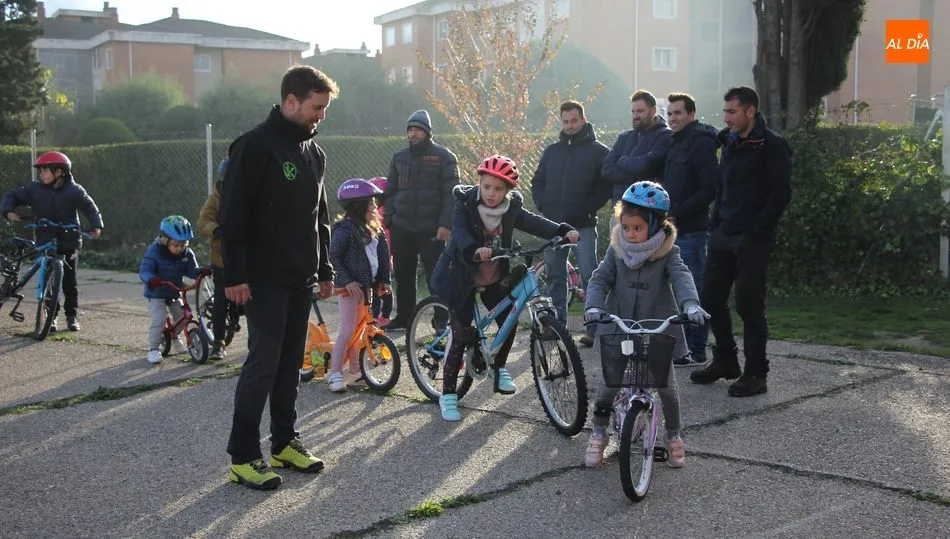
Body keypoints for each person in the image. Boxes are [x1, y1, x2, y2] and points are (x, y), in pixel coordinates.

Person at [218, 65, 338, 491]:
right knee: (263, 363)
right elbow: (231, 216)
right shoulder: (253, 147)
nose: (320, 116)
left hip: (300, 278)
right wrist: (234, 273)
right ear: (291, 101)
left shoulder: (314, 153)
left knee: (291, 365)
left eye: (324, 109)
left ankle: (285, 442)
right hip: (261, 278)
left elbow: (319, 217)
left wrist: (324, 269)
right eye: (315, 107)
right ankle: (244, 455)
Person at [429, 155, 579, 422]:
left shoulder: (510, 209)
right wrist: (474, 249)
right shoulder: (464, 205)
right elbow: (460, 232)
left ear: (508, 191)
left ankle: (498, 368)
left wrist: (561, 230)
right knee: (460, 335)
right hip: (461, 277)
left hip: (493, 276)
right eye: (487, 186)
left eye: (499, 189)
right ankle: (449, 395)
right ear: (480, 183)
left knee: (508, 319)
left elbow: (533, 222)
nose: (491, 193)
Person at [582, 181, 709, 468]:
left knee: (667, 389)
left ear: (654, 226)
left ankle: (673, 435)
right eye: (626, 227)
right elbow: (600, 279)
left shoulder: (668, 253)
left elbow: (682, 276)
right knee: (607, 387)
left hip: (657, 329)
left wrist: (691, 304)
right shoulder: (616, 251)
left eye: (638, 228)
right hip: (619, 328)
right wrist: (593, 306)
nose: (630, 234)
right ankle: (599, 433)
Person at [689, 86, 792, 397]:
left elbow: (779, 196)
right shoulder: (730, 143)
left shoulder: (772, 146)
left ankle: (756, 373)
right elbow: (722, 187)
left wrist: (755, 232)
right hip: (723, 234)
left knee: (749, 305)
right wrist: (716, 223)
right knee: (709, 300)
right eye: (725, 112)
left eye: (732, 112)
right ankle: (725, 360)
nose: (726, 118)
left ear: (751, 111)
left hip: (752, 240)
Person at [531, 100, 611, 347]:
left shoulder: (599, 151)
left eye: (574, 120)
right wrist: (543, 206)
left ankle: (594, 330)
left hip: (583, 226)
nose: (570, 125)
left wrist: (587, 208)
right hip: (553, 226)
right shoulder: (552, 151)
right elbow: (537, 181)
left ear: (583, 120)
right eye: (565, 121)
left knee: (590, 276)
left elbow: (606, 185)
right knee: (556, 277)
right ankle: (558, 328)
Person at [2, 151, 103, 332]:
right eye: (40, 170)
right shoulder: (35, 189)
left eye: (45, 170)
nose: (41, 174)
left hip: (69, 240)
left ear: (59, 172)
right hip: (46, 239)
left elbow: (90, 207)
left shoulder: (75, 191)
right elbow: (13, 196)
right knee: (48, 279)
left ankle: (71, 316)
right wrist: (9, 211)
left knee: (69, 282)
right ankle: (52, 316)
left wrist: (96, 226)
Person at [381, 110, 460, 330]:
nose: (413, 133)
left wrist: (446, 223)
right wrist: (388, 220)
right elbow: (390, 191)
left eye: (417, 129)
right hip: (401, 227)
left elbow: (451, 194)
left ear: (427, 132)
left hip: (432, 230)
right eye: (410, 129)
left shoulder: (444, 157)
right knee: (403, 276)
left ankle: (442, 319)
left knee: (437, 277)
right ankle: (404, 318)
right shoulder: (399, 158)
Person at [662, 93, 720, 366]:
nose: (672, 118)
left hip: (693, 231)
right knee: (675, 291)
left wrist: (677, 212)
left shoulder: (700, 143)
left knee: (692, 291)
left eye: (678, 113)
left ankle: (696, 350)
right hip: (671, 230)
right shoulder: (675, 142)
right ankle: (683, 348)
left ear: (691, 114)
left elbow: (709, 188)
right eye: (669, 113)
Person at [327, 178, 391, 393]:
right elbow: (333, 256)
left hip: (366, 287)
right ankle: (334, 372)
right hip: (350, 289)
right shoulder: (344, 229)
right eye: (371, 202)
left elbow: (382, 257)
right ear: (358, 206)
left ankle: (355, 372)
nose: (375, 206)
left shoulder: (375, 229)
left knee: (360, 330)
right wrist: (346, 280)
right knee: (347, 330)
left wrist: (383, 280)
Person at [139, 216, 211, 364]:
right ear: (165, 241)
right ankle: (153, 349)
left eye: (183, 245)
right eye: (175, 245)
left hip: (174, 290)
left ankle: (174, 337)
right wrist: (151, 279)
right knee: (159, 320)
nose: (179, 249)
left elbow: (192, 271)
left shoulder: (187, 254)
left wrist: (200, 272)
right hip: (157, 291)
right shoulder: (154, 252)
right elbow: (145, 270)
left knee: (183, 316)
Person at [601, 90, 673, 212]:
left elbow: (645, 165)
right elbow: (607, 170)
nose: (635, 116)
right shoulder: (624, 137)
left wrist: (622, 161)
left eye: (640, 111)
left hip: (648, 212)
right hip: (620, 212)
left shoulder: (665, 135)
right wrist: (637, 178)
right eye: (633, 111)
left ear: (653, 110)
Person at [197, 157, 235, 360]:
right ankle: (218, 343)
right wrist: (217, 230)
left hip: (247, 257)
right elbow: (204, 220)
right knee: (222, 299)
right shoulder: (216, 197)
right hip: (223, 257)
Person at [368, 176, 394, 326]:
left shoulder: (378, 213)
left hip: (379, 257)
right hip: (384, 257)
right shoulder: (388, 212)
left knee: (378, 287)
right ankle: (383, 315)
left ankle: (379, 315)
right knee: (384, 286)